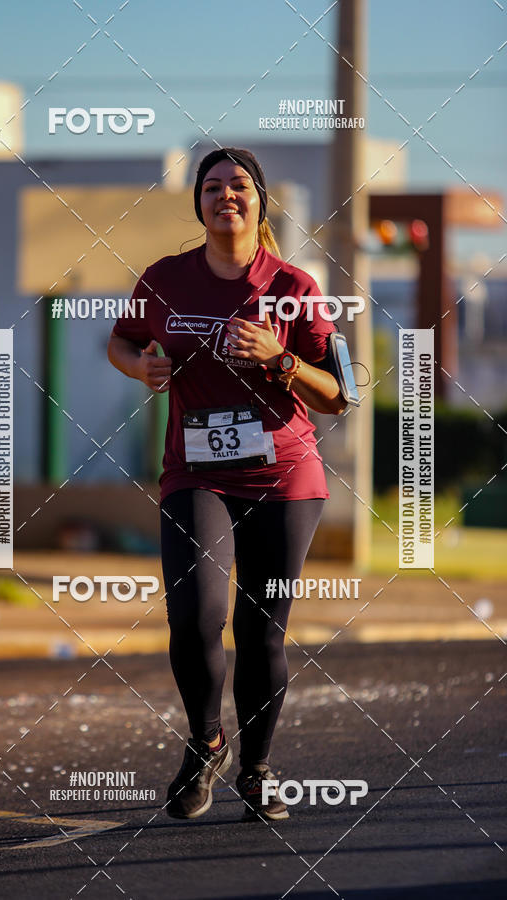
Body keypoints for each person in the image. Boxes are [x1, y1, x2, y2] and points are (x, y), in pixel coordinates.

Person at [108, 147, 347, 822]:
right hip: (195, 473)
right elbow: (121, 341)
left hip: (283, 476)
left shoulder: (294, 286)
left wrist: (282, 359)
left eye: (239, 185)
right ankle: (207, 742)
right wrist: (140, 368)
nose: (225, 196)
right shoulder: (165, 279)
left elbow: (338, 396)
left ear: (259, 201)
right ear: (199, 205)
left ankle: (257, 770)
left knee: (261, 630)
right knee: (193, 618)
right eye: (211, 187)